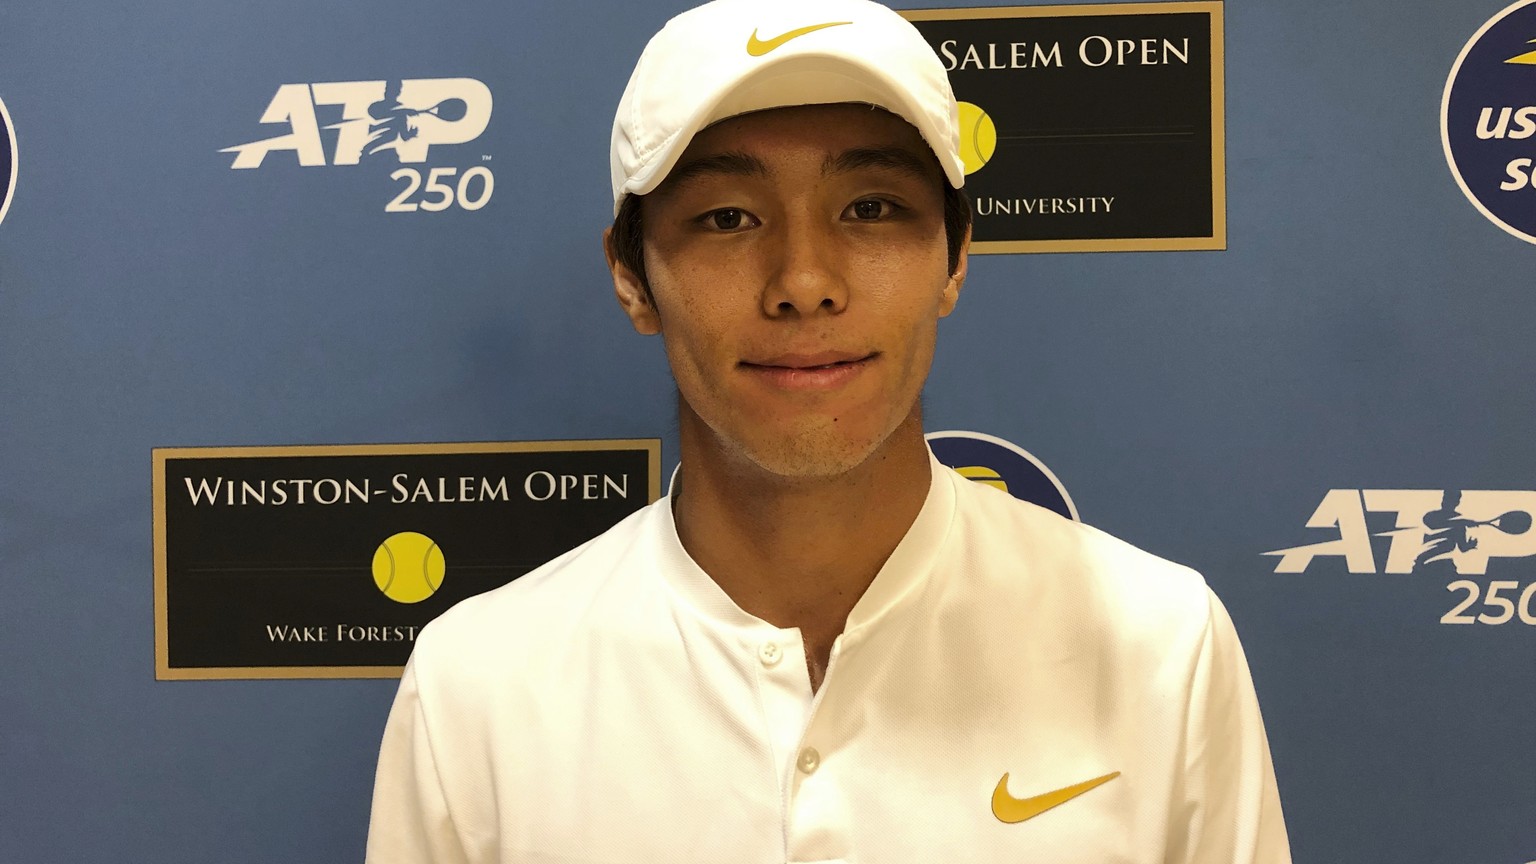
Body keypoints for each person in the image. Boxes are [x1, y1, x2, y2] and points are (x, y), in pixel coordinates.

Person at [365, 0, 1291, 861]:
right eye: (727, 217)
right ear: (631, 275)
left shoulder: (1159, 644)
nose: (804, 279)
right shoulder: (479, 687)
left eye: (870, 209)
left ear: (956, 255)